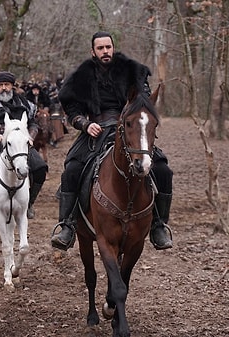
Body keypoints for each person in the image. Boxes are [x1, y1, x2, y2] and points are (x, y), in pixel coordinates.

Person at [50, 31, 174, 251]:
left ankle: (158, 225)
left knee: (162, 169)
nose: (105, 51)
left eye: (108, 47)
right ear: (93, 52)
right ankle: (67, 224)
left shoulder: (132, 71)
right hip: (96, 130)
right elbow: (72, 108)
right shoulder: (82, 76)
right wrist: (84, 124)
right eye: (100, 48)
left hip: (132, 129)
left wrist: (135, 112)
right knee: (72, 168)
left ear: (113, 48)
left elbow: (144, 100)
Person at [0, 71, 48, 220]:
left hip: (20, 142)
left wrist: (30, 137)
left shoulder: (24, 103)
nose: (3, 88)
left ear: (12, 86)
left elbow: (33, 123)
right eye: (0, 85)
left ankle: (29, 203)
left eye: (6, 85)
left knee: (40, 167)